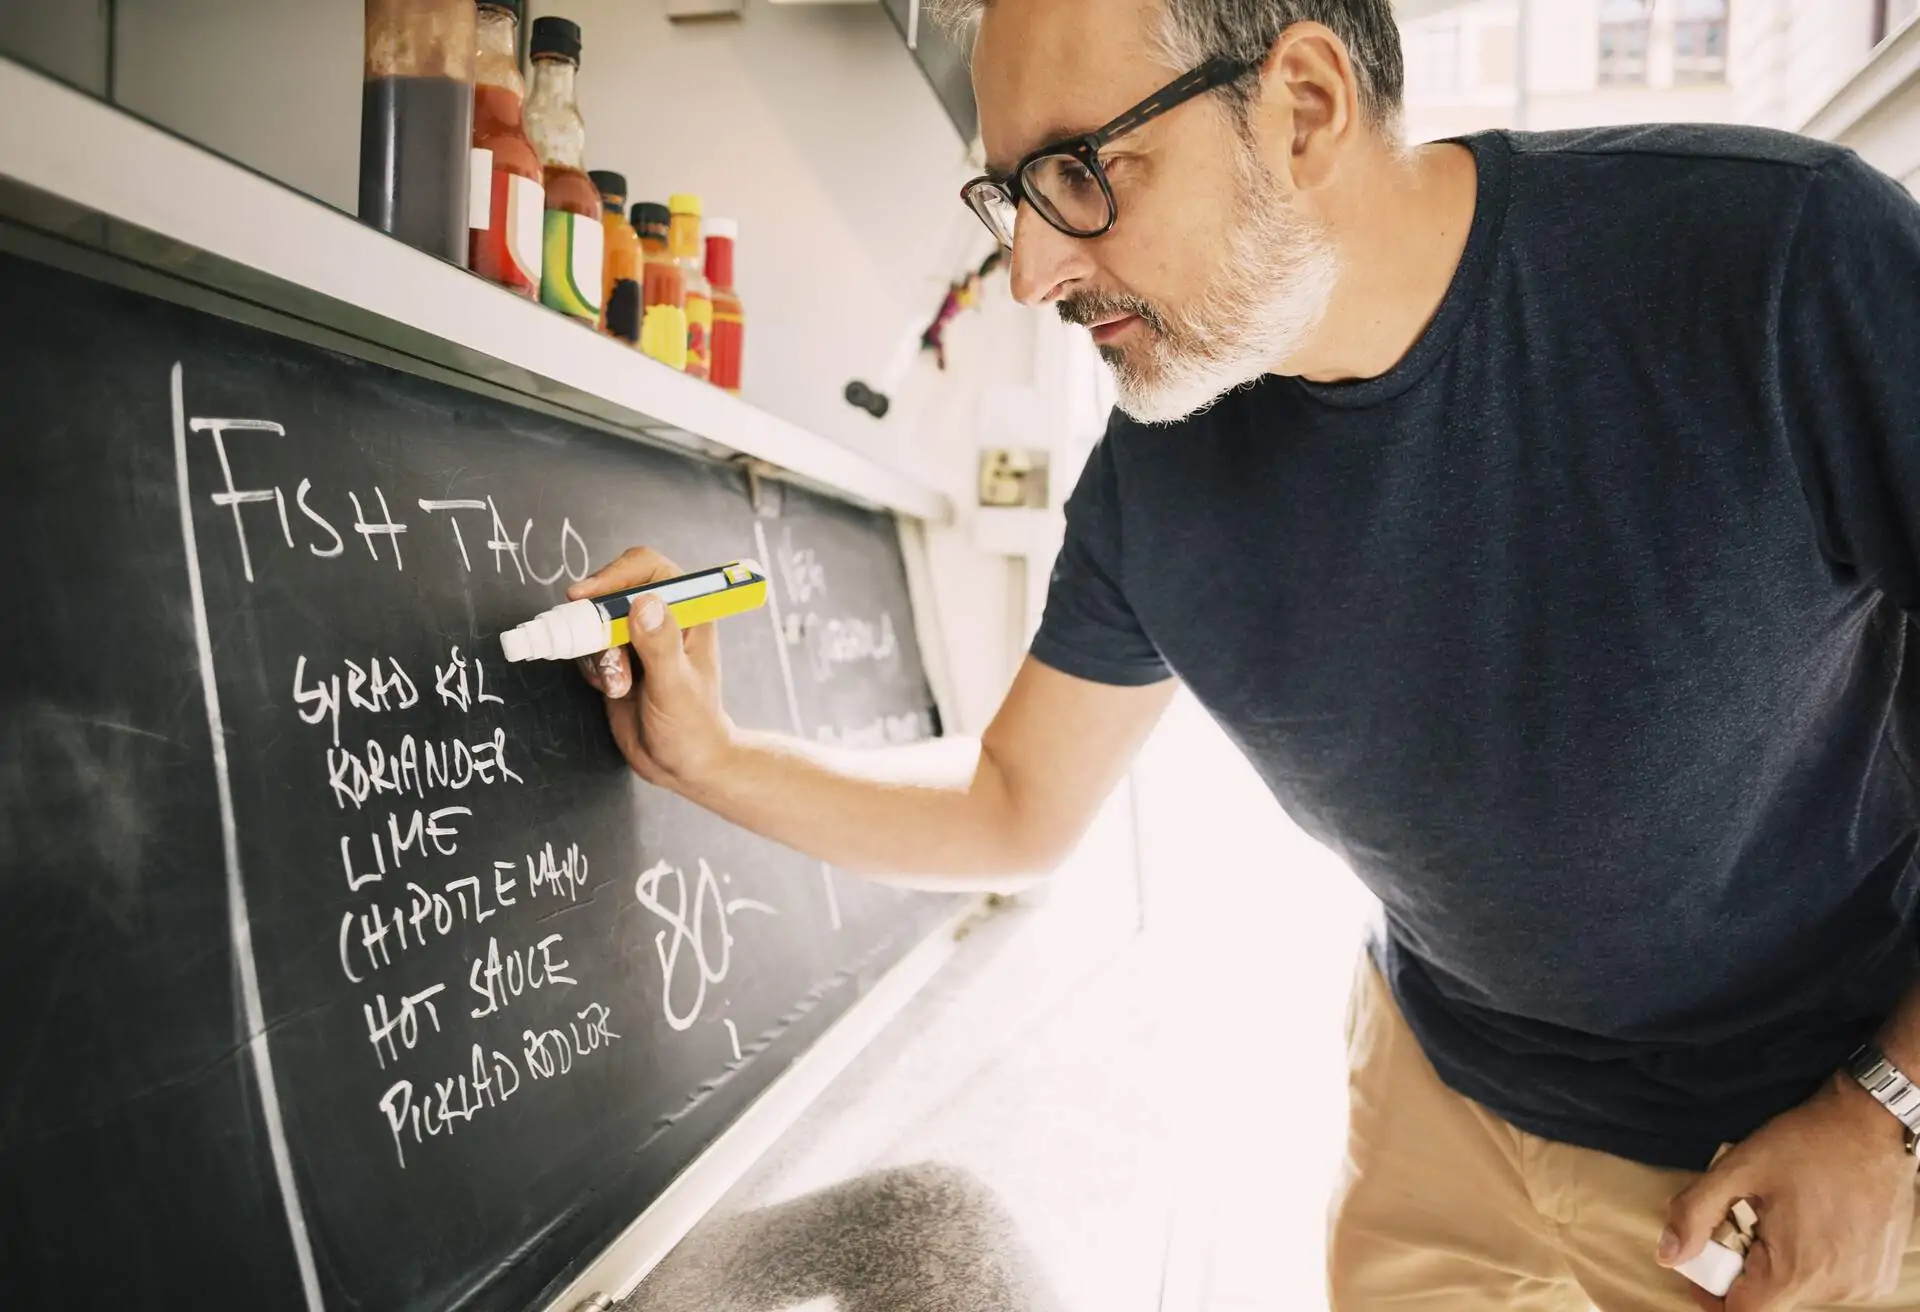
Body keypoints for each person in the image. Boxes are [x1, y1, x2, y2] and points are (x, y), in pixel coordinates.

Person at [572, 0, 1920, 1307]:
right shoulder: (1152, 479)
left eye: (1077, 176)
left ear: (1304, 109)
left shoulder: (1781, 260)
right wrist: (717, 759)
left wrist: (1887, 1113)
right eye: (1008, 199)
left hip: (1791, 1150)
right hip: (1431, 1104)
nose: (1033, 272)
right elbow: (1012, 809)